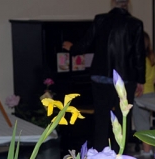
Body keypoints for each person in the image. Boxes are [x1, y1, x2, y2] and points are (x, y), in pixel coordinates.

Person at [62, 0, 145, 151]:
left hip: (100, 76)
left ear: (112, 2)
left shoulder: (100, 19)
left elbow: (86, 43)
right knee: (122, 121)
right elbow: (139, 55)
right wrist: (141, 80)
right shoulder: (136, 24)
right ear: (128, 3)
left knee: (101, 120)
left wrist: (72, 48)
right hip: (125, 78)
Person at [133, 31, 155, 159]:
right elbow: (154, 79)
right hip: (150, 93)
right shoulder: (150, 58)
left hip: (140, 95)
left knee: (141, 124)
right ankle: (147, 149)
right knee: (145, 121)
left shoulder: (139, 60)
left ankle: (147, 151)